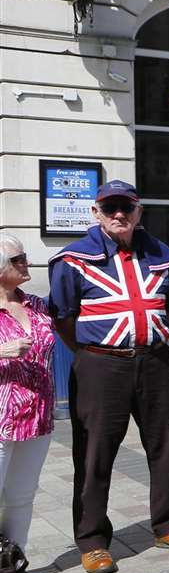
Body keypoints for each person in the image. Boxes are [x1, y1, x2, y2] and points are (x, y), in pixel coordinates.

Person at [48, 180, 169, 573]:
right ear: (96, 212)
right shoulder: (72, 259)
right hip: (101, 365)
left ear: (138, 212)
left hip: (155, 362)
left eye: (126, 208)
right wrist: (94, 352)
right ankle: (93, 541)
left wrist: (148, 340)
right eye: (110, 207)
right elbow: (62, 317)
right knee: (95, 453)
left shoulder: (162, 254)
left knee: (165, 445)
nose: (119, 215)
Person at [0, 236, 56, 554]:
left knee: (22, 495)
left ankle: (13, 565)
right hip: (1, 420)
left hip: (37, 417)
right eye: (18, 258)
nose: (26, 262)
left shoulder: (36, 303)